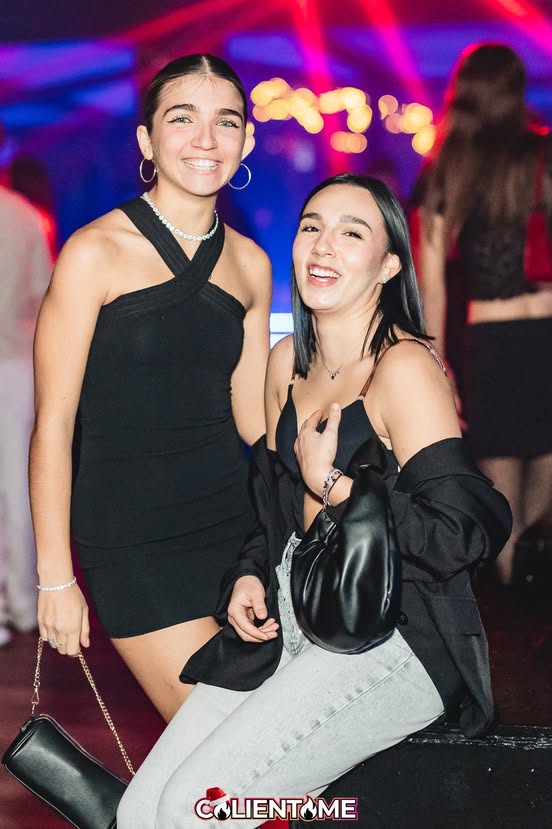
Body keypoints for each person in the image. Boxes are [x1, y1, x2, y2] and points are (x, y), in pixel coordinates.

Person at [117, 173, 511, 829]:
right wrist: (250, 573)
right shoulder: (285, 365)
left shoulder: (403, 369)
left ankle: (314, 812)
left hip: (392, 637)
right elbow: (272, 507)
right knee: (139, 812)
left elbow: (466, 530)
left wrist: (333, 483)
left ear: (390, 265)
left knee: (195, 810)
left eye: (352, 233)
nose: (323, 246)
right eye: (311, 227)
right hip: (293, 620)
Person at [30, 54, 272, 721]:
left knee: (259, 737)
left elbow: (256, 422)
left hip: (231, 524)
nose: (206, 139)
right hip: (130, 537)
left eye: (226, 121)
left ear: (247, 140)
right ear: (147, 140)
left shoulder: (251, 263)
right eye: (183, 118)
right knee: (219, 726)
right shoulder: (94, 252)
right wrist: (54, 575)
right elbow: (53, 423)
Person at [415, 42, 552, 584]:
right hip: (546, 332)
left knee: (501, 495)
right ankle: (533, 596)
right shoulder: (543, 154)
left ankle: (514, 596)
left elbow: (431, 287)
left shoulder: (444, 169)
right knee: (545, 476)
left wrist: (437, 363)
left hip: (492, 344)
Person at [0, 128, 53, 647]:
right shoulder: (23, 216)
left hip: (12, 362)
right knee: (18, 485)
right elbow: (43, 297)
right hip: (14, 364)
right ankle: (19, 600)